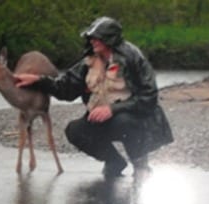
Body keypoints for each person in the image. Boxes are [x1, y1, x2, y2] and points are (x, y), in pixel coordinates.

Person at [15, 16, 173, 179]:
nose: (92, 41)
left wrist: (113, 109)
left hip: (138, 119)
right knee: (75, 131)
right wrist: (39, 80)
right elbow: (65, 89)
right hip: (102, 117)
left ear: (110, 39)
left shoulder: (133, 57)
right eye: (91, 37)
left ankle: (141, 165)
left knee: (123, 121)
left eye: (97, 38)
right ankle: (114, 162)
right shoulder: (88, 61)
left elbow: (149, 96)